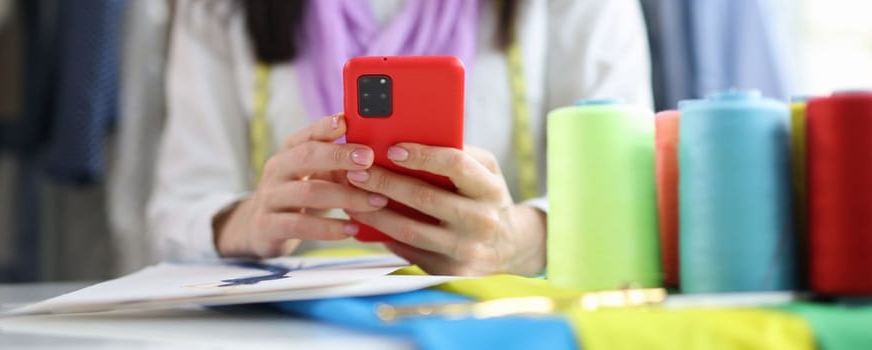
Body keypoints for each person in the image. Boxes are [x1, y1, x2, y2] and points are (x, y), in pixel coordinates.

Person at [149, 0, 652, 276]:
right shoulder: (216, 9)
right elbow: (176, 207)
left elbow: (626, 198)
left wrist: (515, 240)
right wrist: (243, 223)